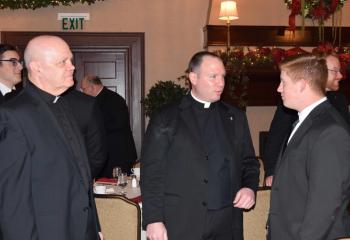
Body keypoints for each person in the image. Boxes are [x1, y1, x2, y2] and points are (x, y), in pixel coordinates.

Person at [140, 51, 260, 240]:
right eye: (213, 76)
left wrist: (249, 188)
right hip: (182, 221)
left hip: (227, 222)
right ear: (193, 77)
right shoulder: (167, 117)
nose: (221, 83)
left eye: (223, 77)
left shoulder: (235, 117)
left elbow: (249, 162)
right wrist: (153, 219)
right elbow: (152, 172)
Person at [0, 35, 102, 240]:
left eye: (71, 61)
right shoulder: (13, 114)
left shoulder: (63, 105)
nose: (72, 67)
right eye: (62, 62)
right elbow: (13, 202)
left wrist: (94, 226)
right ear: (37, 68)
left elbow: (81, 176)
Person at [268, 54, 350, 239]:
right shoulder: (306, 122)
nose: (279, 88)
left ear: (302, 84)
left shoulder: (330, 131)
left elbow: (325, 205)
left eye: (283, 82)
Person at [263, 53, 350, 186]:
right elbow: (276, 136)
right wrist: (271, 171)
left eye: (340, 71)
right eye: (335, 71)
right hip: (300, 177)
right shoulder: (292, 102)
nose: (340, 76)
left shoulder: (340, 100)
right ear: (320, 72)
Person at [81, 75, 137, 176]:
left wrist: (95, 129)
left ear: (91, 87)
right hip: (109, 154)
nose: (82, 92)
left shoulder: (114, 99)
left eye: (83, 89)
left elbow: (120, 123)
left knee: (119, 188)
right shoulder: (97, 100)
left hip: (118, 154)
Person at [63, 88, 107, 179]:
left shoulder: (85, 103)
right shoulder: (28, 102)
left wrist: (80, 179)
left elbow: (97, 155)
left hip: (78, 182)